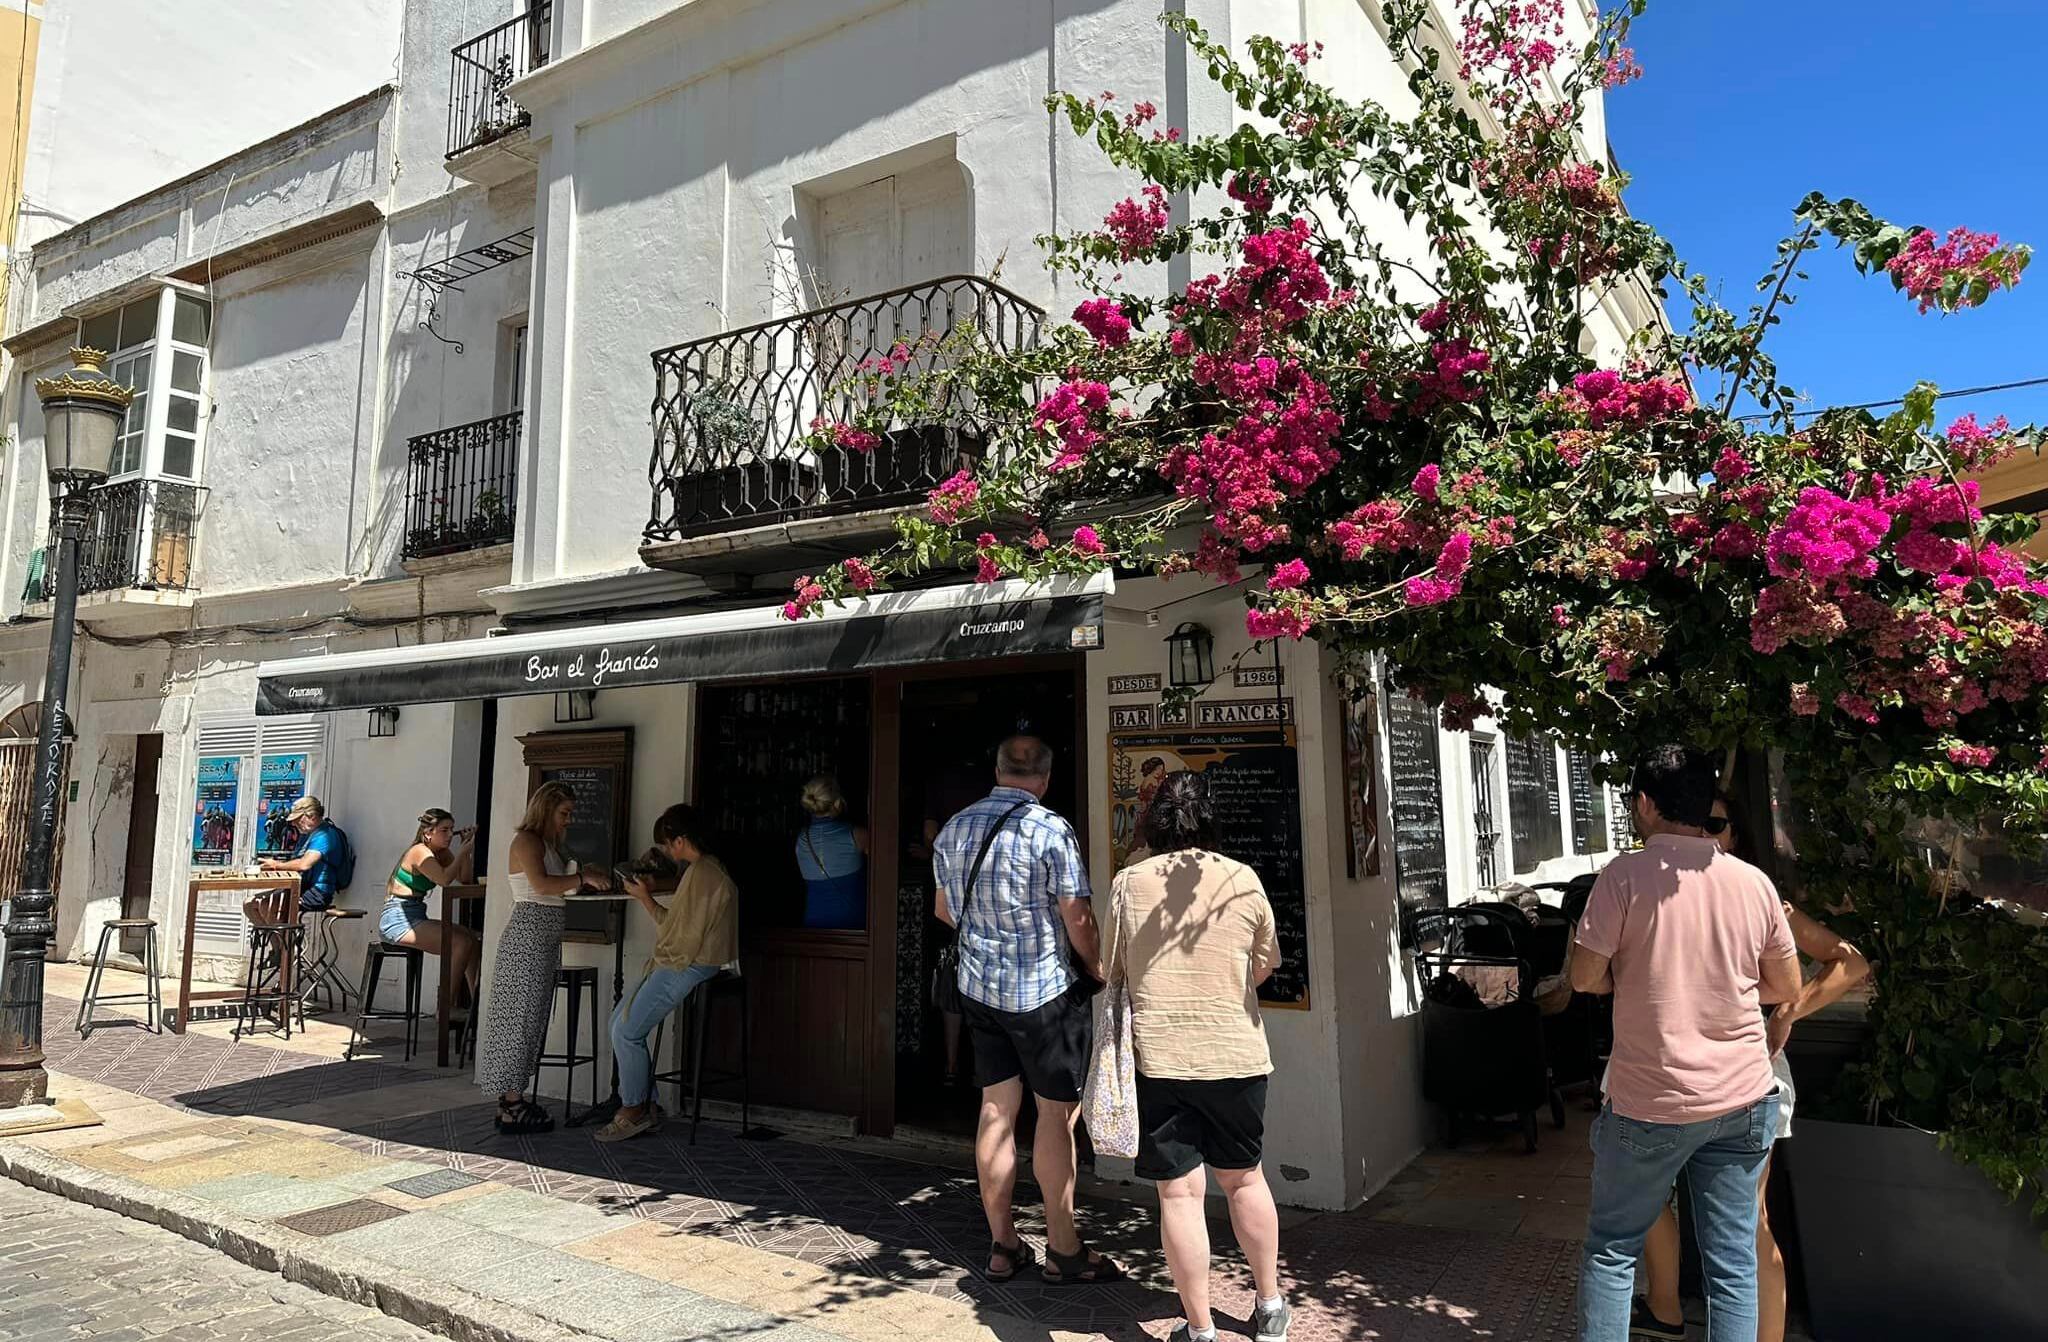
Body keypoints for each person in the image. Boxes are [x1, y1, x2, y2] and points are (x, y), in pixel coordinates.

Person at [1570, 746, 1802, 1342]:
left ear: (1645, 804)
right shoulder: (1752, 883)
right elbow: (1784, 986)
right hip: (1743, 1099)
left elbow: (1583, 977)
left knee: (1612, 1250)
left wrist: (1634, 973)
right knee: (1733, 1265)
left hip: (1651, 1099)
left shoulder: (1621, 877)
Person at [1630, 796, 1870, 1342]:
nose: (1704, 833)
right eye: (1695, 821)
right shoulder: (1653, 891)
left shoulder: (1762, 899)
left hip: (1743, 1074)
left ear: (1734, 835)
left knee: (1748, 1225)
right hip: (1669, 1069)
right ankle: (1665, 1306)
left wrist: (1789, 1010)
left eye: (1716, 824)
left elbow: (1850, 960)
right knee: (1641, 1195)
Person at [1105, 770, 1290, 1342]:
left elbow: (1110, 967)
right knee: (1246, 1180)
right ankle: (1270, 1305)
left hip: (1163, 1057)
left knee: (1179, 1195)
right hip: (1236, 1053)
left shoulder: (1129, 883)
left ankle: (1201, 1329)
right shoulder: (1242, 879)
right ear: (1208, 818)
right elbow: (1266, 964)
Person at [933, 734, 1120, 1286]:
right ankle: (1063, 1248)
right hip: (1041, 994)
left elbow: (945, 911)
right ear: (1044, 777)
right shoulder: (1049, 828)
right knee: (1056, 1116)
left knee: (996, 1110)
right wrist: (1097, 967)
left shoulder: (955, 827)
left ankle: (1002, 1244)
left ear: (996, 771)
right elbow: (1077, 916)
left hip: (980, 992)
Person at [596, 804, 740, 1143]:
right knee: (619, 1022)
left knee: (627, 1030)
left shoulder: (704, 873)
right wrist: (645, 897)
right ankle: (648, 1105)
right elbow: (676, 928)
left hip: (689, 963)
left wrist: (660, 958)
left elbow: (684, 940)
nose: (666, 851)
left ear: (680, 840)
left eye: (667, 843)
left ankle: (635, 1107)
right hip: (683, 960)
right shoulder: (700, 870)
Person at [475, 782, 611, 1135]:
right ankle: (510, 1103)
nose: (568, 821)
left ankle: (514, 1097)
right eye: (563, 813)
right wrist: (580, 877)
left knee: (532, 1020)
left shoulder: (550, 845)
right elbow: (541, 886)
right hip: (528, 936)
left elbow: (557, 885)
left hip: (545, 937)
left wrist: (582, 878)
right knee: (518, 1020)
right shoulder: (526, 841)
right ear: (546, 809)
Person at [377, 808, 481, 1004]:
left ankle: (477, 1005)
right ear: (428, 833)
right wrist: (461, 854)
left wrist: (466, 850)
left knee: (473, 940)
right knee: (461, 943)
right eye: (444, 830)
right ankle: (446, 1006)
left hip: (416, 913)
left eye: (452, 829)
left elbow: (465, 879)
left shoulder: (441, 853)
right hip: (398, 917)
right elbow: (444, 879)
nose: (450, 835)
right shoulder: (419, 851)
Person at [794, 775, 868, 929]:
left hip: (814, 923)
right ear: (837, 802)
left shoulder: (802, 840)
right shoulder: (857, 835)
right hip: (853, 924)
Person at [258, 796, 352, 912]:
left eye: (297, 819)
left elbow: (304, 864)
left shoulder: (325, 835)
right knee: (251, 904)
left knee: (269, 905)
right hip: (301, 887)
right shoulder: (307, 835)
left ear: (311, 816)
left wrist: (276, 865)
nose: (293, 823)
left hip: (317, 893)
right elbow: (296, 861)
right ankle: (273, 930)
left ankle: (280, 930)